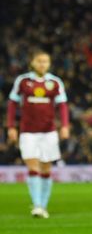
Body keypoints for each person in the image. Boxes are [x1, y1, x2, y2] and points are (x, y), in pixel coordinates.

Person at [6, 49, 70, 219]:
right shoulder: (23, 81)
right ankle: (37, 205)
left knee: (46, 168)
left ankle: (43, 204)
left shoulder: (55, 83)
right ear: (32, 62)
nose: (42, 64)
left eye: (45, 61)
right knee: (33, 166)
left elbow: (63, 105)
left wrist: (65, 125)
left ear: (49, 64)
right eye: (39, 61)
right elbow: (12, 103)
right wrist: (11, 126)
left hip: (49, 132)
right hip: (28, 132)